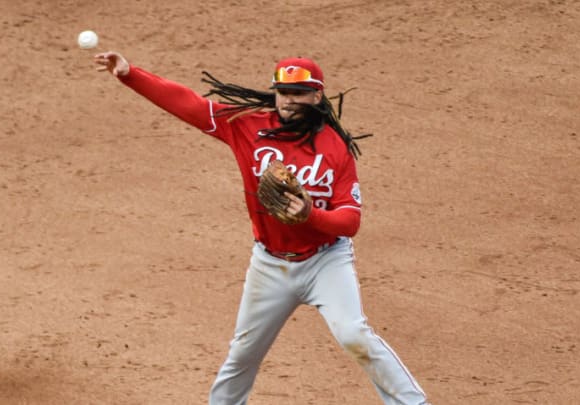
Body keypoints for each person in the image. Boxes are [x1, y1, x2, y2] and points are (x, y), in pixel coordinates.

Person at [94, 51, 430, 405]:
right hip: (270, 265)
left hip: (325, 261)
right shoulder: (248, 126)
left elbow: (350, 220)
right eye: (283, 92)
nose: (288, 100)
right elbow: (189, 104)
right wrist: (131, 74)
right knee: (242, 354)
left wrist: (310, 215)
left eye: (298, 93)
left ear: (317, 96)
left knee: (354, 335)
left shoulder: (336, 148)